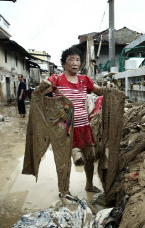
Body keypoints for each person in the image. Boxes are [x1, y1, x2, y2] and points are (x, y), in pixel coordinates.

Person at [41, 47, 103, 196]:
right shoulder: (56, 80)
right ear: (63, 63)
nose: (75, 63)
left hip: (84, 126)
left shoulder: (85, 80)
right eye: (71, 59)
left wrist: (109, 90)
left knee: (90, 156)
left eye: (78, 60)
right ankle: (64, 190)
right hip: (64, 128)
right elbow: (40, 94)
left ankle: (89, 185)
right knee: (63, 160)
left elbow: (99, 91)